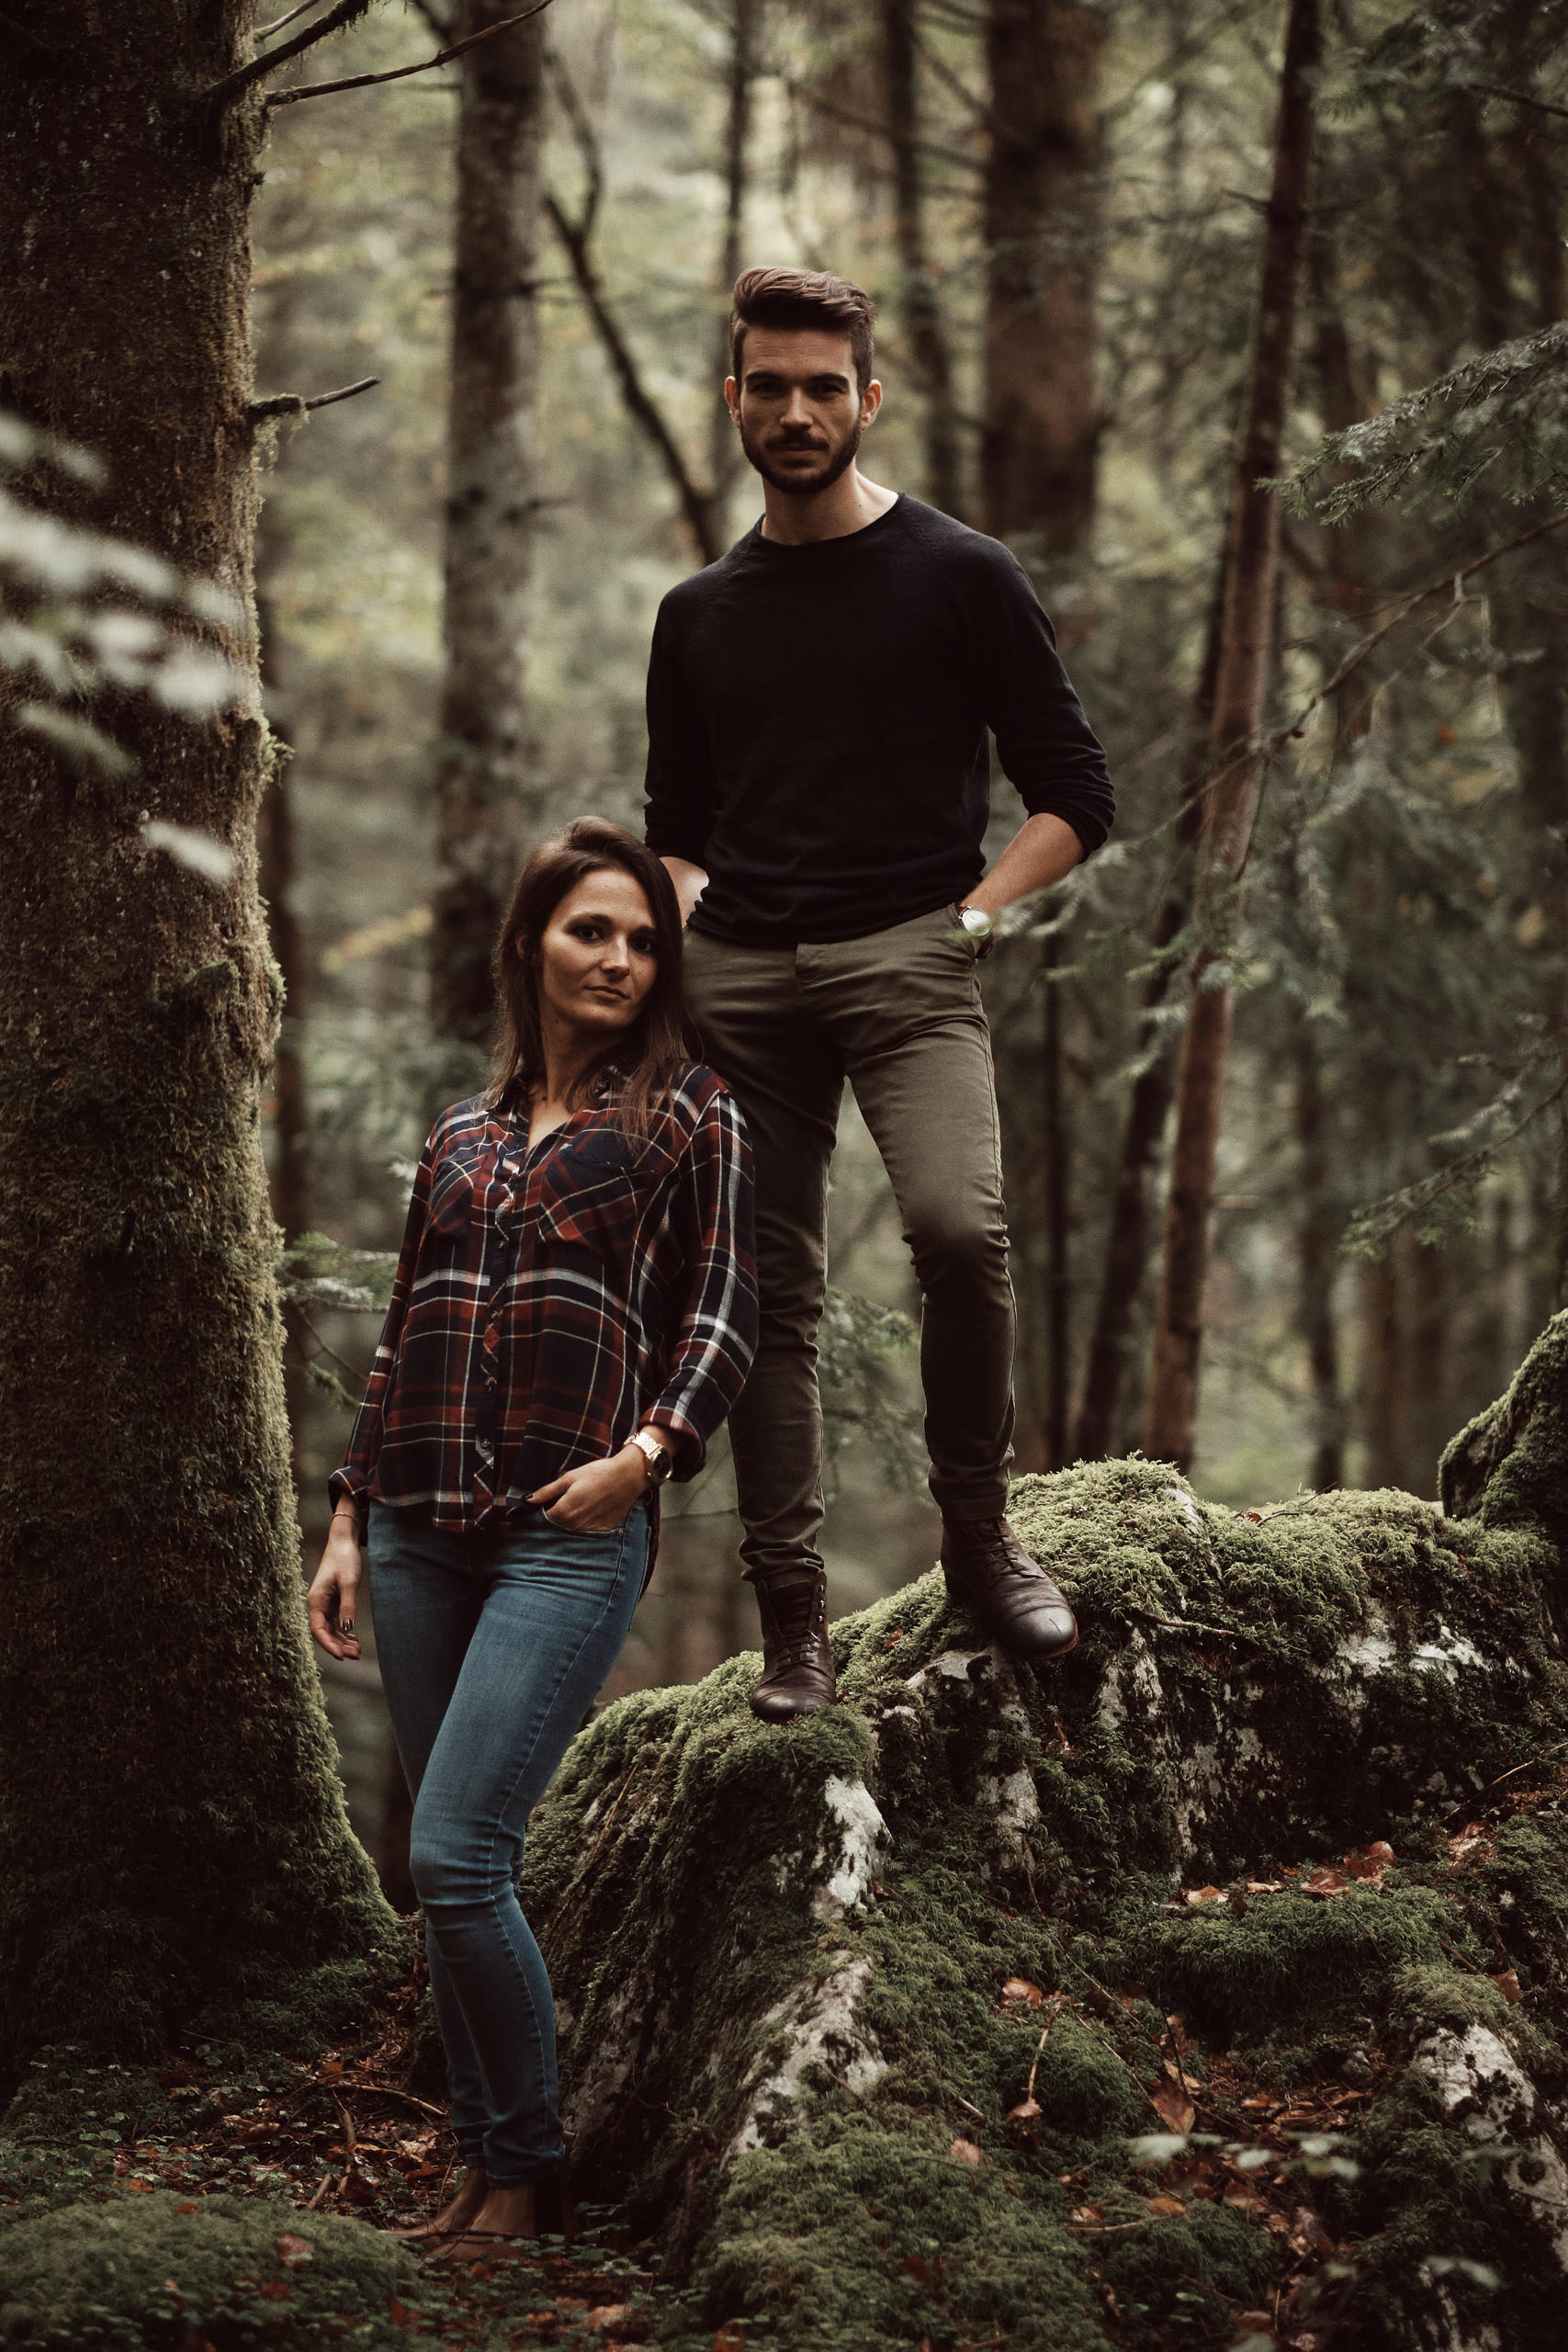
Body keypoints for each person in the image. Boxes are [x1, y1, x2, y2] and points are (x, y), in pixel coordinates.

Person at [645, 266, 1114, 1724]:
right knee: (769, 1297)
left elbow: (1075, 795)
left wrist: (970, 916)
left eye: (822, 386)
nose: (796, 411)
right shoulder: (699, 611)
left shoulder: (960, 574)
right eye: (769, 386)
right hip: (746, 987)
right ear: (734, 399)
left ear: (869, 397)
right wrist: (683, 908)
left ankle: (979, 1538)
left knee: (958, 1236)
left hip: (914, 960)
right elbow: (677, 813)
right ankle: (796, 1626)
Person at [305, 820, 756, 2260]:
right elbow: (403, 1337)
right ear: (531, 945)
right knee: (449, 1874)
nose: (619, 958)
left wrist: (646, 1457)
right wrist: (348, 1516)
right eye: (590, 933)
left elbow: (726, 1313)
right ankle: (488, 2170)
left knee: (455, 1851)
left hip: (568, 1537)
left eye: (639, 940)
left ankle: (533, 2170)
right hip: (424, 1534)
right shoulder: (463, 1134)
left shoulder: (691, 1113)